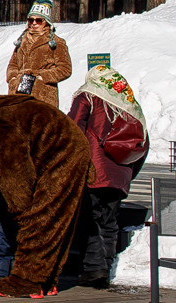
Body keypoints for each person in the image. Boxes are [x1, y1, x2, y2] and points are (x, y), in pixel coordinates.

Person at [0, 95, 91, 301]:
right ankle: (47, 282)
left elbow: (16, 181)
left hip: (61, 152)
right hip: (69, 145)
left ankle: (27, 282)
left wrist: (21, 211)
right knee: (56, 221)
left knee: (42, 218)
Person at [64, 62, 149, 288]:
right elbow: (143, 143)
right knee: (109, 222)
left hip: (94, 170)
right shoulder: (130, 103)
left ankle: (94, 269)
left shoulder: (87, 95)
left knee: (88, 219)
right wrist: (129, 173)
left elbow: (73, 127)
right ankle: (106, 266)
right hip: (120, 172)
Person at [5, 0, 73, 109]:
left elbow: (65, 69)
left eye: (39, 20)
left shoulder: (56, 42)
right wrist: (12, 78)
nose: (34, 23)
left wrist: (42, 77)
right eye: (31, 20)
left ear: (46, 22)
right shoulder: (22, 41)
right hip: (18, 94)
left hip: (42, 96)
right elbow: (12, 64)